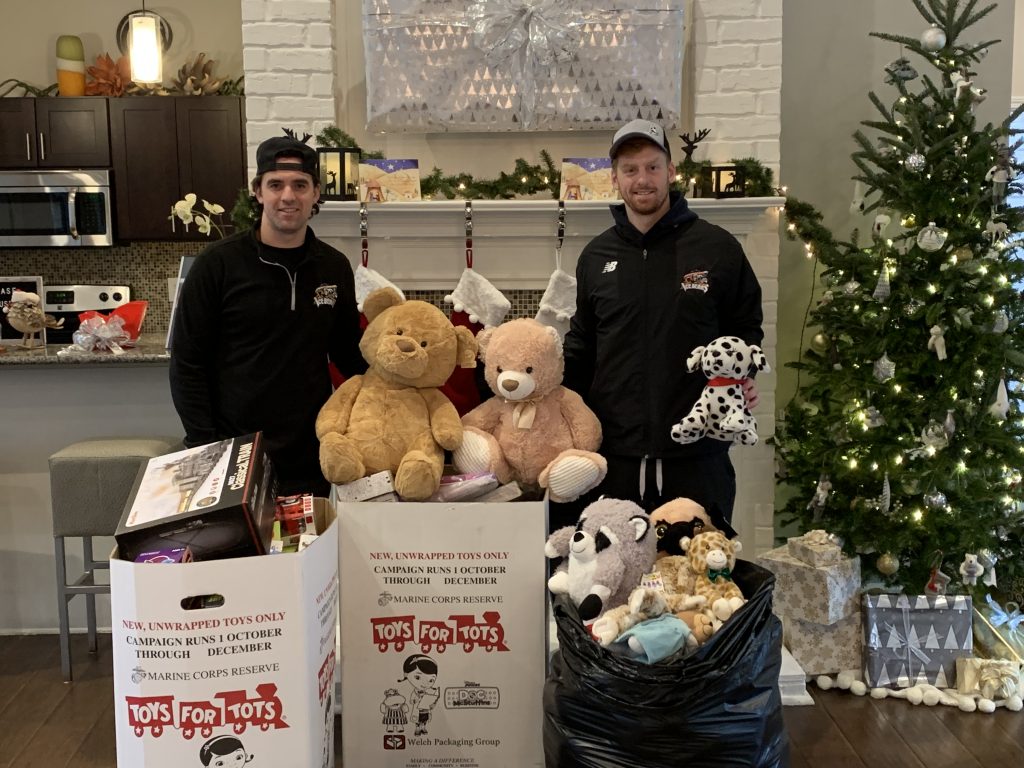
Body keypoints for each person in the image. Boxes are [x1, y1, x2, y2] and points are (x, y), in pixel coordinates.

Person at [561, 118, 764, 527]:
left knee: (702, 565)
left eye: (652, 167)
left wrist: (742, 377)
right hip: (613, 458)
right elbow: (582, 344)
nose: (642, 179)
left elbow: (745, 327)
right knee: (614, 565)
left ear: (670, 171)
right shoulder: (595, 257)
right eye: (630, 169)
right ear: (615, 178)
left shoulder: (718, 247)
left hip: (698, 456)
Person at [169, 134, 367, 497]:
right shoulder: (217, 264)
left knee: (314, 537)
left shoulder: (334, 267)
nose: (288, 196)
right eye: (276, 184)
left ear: (316, 193)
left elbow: (347, 353)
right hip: (235, 453)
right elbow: (187, 363)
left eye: (300, 185)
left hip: (311, 453)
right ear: (258, 192)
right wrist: (205, 445)